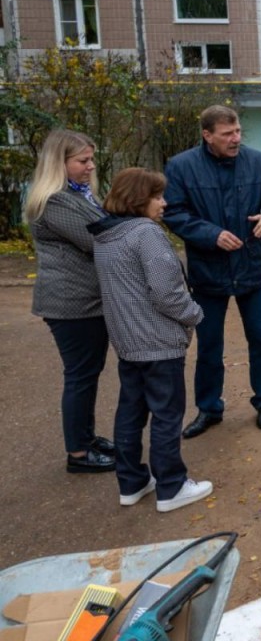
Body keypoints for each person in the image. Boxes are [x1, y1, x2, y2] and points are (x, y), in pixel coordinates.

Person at [87, 168, 212, 512]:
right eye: (157, 197)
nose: (164, 203)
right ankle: (171, 486)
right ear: (139, 199)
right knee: (167, 413)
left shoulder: (105, 234)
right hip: (157, 340)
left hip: (128, 340)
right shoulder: (146, 233)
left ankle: (132, 481)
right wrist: (196, 315)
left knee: (131, 410)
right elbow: (168, 292)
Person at [163, 105, 261, 437]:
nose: (235, 139)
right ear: (207, 135)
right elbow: (174, 213)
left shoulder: (257, 162)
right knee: (209, 346)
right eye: (227, 134)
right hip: (209, 271)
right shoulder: (181, 166)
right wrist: (211, 235)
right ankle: (209, 409)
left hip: (252, 267)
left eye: (237, 132)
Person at [25, 129, 115, 473]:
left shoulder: (79, 196)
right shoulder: (55, 202)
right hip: (72, 304)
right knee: (80, 376)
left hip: (86, 300)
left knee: (88, 374)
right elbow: (98, 239)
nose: (90, 166)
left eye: (91, 159)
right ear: (58, 163)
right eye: (82, 161)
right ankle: (78, 454)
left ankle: (86, 438)